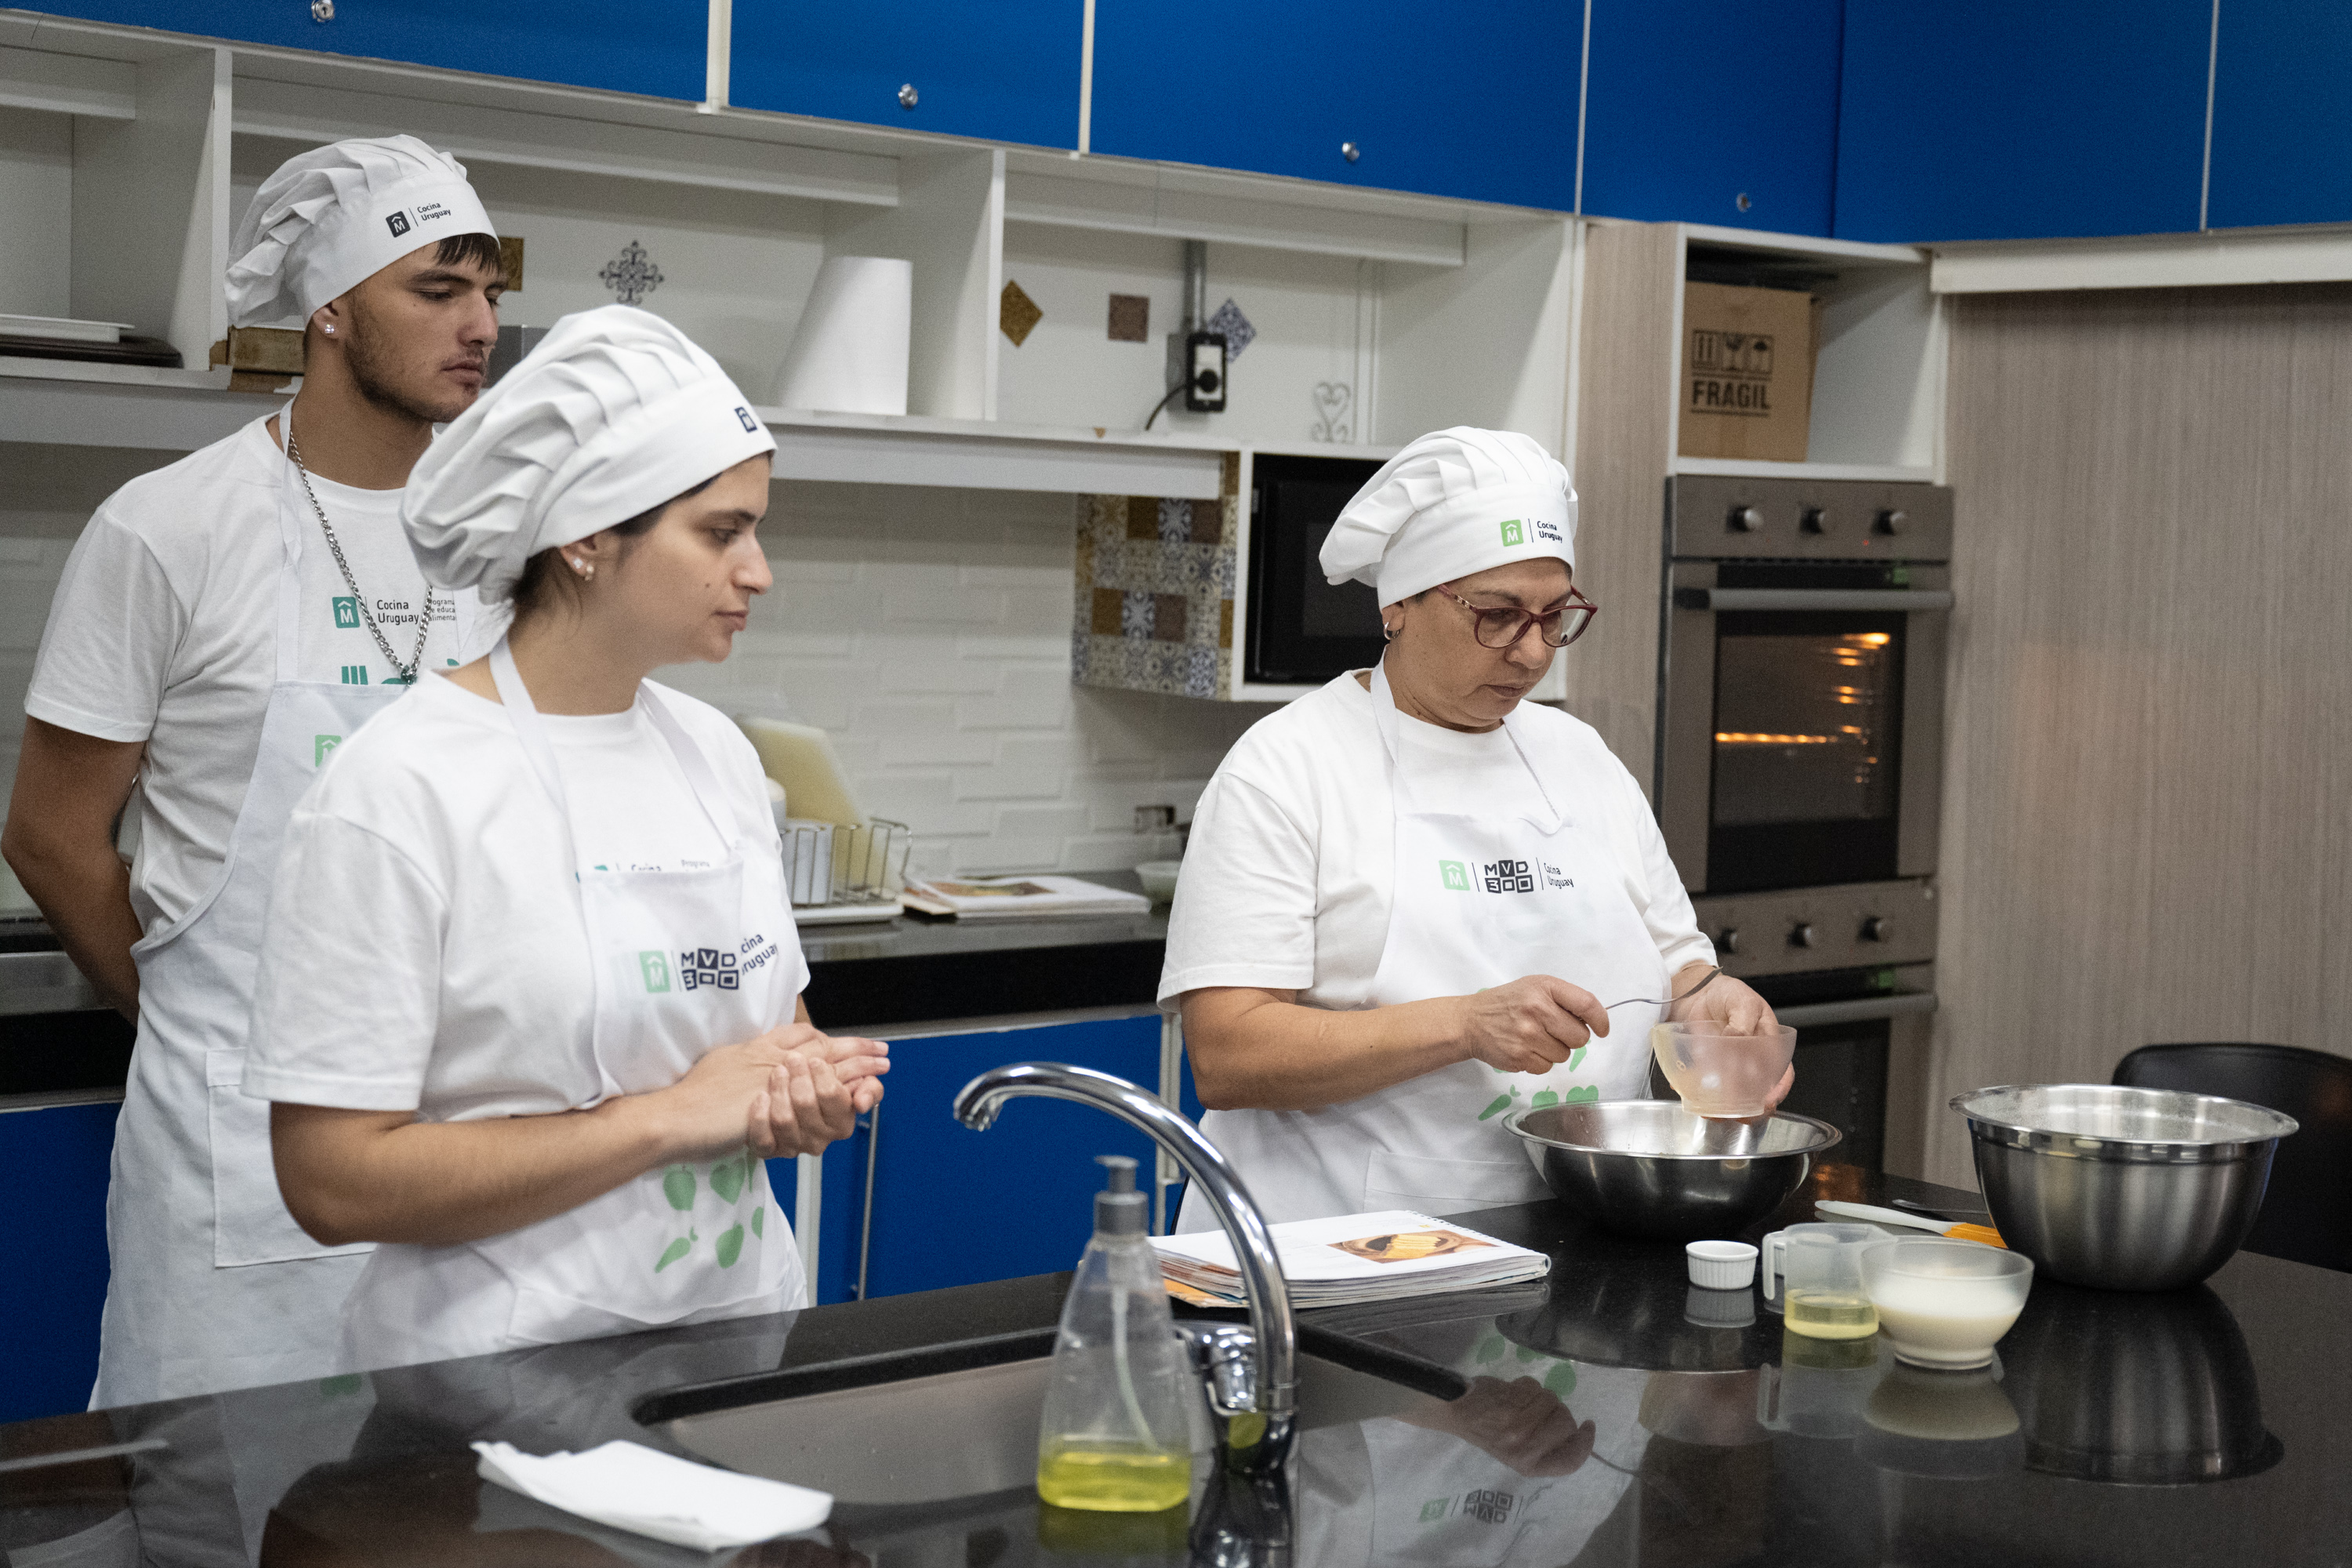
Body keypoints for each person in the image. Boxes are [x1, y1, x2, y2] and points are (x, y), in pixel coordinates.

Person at [243, 305, 885, 1373]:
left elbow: (771, 1040)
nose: (758, 571)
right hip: (489, 1384)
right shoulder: (402, 786)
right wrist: (665, 1120)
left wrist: (803, 1092)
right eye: (720, 532)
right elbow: (331, 1179)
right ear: (587, 537)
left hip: (730, 1348)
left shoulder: (716, 756)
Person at [1, 135, 506, 1405]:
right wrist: (197, 1018)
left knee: (440, 1494)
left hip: (461, 1157)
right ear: (329, 308)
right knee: (214, 1496)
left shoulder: (505, 538)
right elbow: (51, 833)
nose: (481, 325)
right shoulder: (171, 528)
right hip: (235, 1164)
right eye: (437, 289)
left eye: (490, 291)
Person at [1160, 427, 1790, 1226]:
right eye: (1497, 616)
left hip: (1571, 1229)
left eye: (1554, 616)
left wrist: (1716, 1008)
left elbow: (1682, 974)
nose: (1532, 654)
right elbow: (1226, 1053)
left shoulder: (1581, 759)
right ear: (1398, 604)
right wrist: (1462, 1024)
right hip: (1335, 1248)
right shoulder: (1288, 767)